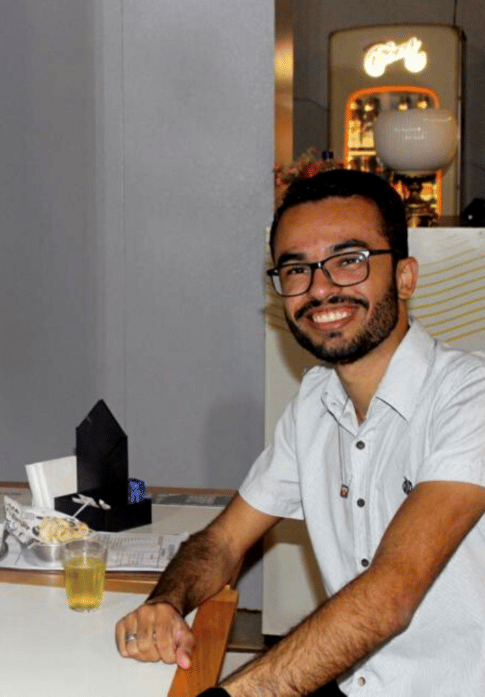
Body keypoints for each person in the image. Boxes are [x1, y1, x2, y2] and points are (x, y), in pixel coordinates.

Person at [115, 169, 485, 696]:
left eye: (349, 260)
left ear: (406, 277)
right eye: (296, 270)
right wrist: (166, 602)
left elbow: (391, 593)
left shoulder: (469, 396)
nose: (320, 288)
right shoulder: (315, 402)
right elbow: (223, 540)